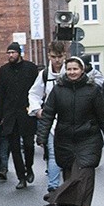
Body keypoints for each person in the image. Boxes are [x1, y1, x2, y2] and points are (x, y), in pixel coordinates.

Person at [37, 57, 104, 206]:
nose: (72, 72)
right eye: (69, 69)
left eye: (75, 69)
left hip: (88, 137)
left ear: (82, 70)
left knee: (86, 172)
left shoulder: (92, 90)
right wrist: (42, 135)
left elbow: (103, 117)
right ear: (65, 71)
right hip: (65, 138)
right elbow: (48, 114)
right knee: (70, 173)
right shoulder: (58, 90)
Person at [0, 42, 39, 189]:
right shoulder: (3, 70)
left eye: (13, 52)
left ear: (19, 53)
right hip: (10, 113)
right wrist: (0, 114)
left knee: (28, 144)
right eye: (8, 53)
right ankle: (21, 177)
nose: (10, 55)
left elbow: (37, 90)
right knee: (14, 147)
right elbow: (1, 93)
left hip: (27, 112)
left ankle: (29, 167)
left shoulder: (31, 68)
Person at [27, 40, 67, 195]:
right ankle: (53, 186)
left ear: (64, 56)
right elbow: (34, 94)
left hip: (70, 118)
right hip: (52, 119)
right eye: (53, 56)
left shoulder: (70, 71)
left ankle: (70, 184)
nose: (57, 60)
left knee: (70, 154)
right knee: (53, 152)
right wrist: (37, 110)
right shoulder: (43, 75)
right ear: (49, 56)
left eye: (60, 56)